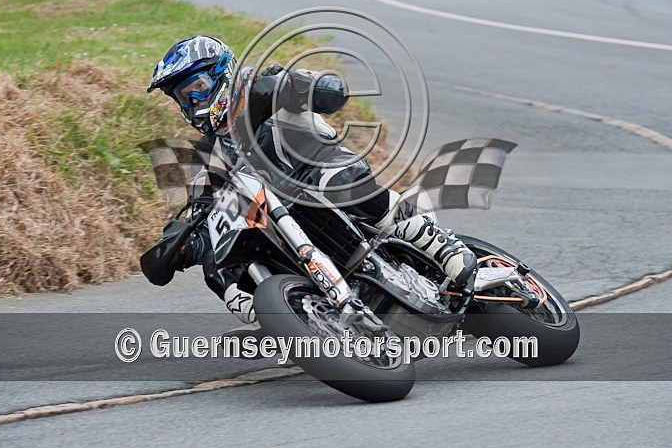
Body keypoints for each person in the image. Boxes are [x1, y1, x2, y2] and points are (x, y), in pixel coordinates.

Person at [146, 35, 477, 324]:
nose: (193, 104)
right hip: (278, 223)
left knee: (334, 182)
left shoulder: (263, 88)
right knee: (219, 267)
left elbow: (325, 91)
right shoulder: (206, 156)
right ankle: (276, 316)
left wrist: (315, 86)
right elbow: (203, 210)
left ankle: (440, 244)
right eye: (183, 98)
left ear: (223, 73)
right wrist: (181, 245)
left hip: (324, 172)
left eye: (198, 90)